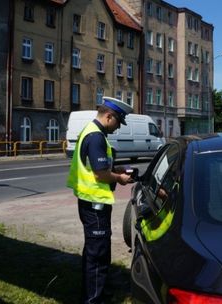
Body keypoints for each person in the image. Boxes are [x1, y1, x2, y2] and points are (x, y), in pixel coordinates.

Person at [67, 96, 134, 303]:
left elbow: (98, 167)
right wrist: (120, 178)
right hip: (94, 205)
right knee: (98, 255)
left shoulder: (91, 131)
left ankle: (95, 292)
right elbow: (100, 174)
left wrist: (115, 169)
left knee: (94, 251)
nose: (118, 128)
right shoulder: (96, 136)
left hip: (91, 202)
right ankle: (93, 300)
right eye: (118, 122)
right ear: (109, 116)